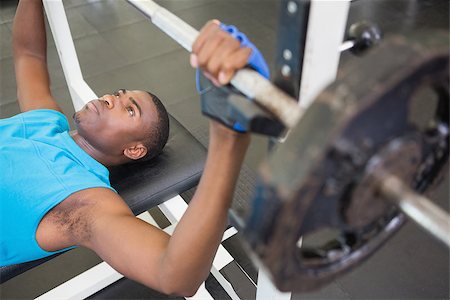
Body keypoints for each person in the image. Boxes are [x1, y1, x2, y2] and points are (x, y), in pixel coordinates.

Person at [0, 0, 268, 296]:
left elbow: (174, 274)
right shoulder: (46, 121)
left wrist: (228, 136)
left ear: (134, 150)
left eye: (130, 110)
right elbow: (29, 55)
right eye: (119, 95)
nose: (111, 99)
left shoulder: (83, 203)